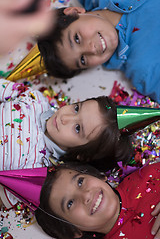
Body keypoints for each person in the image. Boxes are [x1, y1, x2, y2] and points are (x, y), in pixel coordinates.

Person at [0, 78, 132, 208]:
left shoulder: (36, 169)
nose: (65, 118)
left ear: (82, 155)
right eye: (76, 109)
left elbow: (3, 197)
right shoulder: (35, 100)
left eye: (77, 128)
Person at [37, 0, 160, 103]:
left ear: (74, 12)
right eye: (83, 59)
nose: (91, 49)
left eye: (77, 39)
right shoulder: (145, 72)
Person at [35, 161, 160, 239]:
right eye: (70, 203)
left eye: (80, 181)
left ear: (99, 176)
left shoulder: (149, 175)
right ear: (72, 231)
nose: (86, 195)